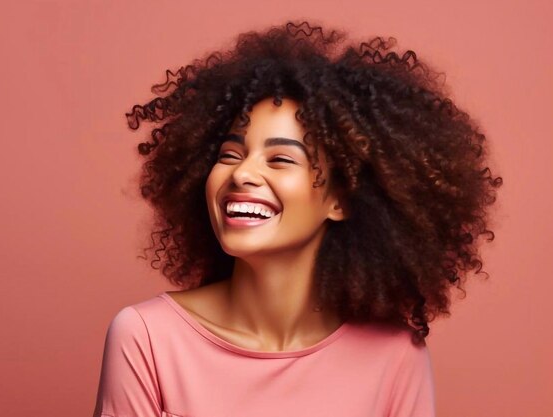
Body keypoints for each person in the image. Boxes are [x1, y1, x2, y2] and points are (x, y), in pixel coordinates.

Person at [92, 20, 502, 417]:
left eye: (281, 159)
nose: (242, 173)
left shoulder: (395, 356)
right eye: (230, 154)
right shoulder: (147, 337)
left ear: (339, 201)